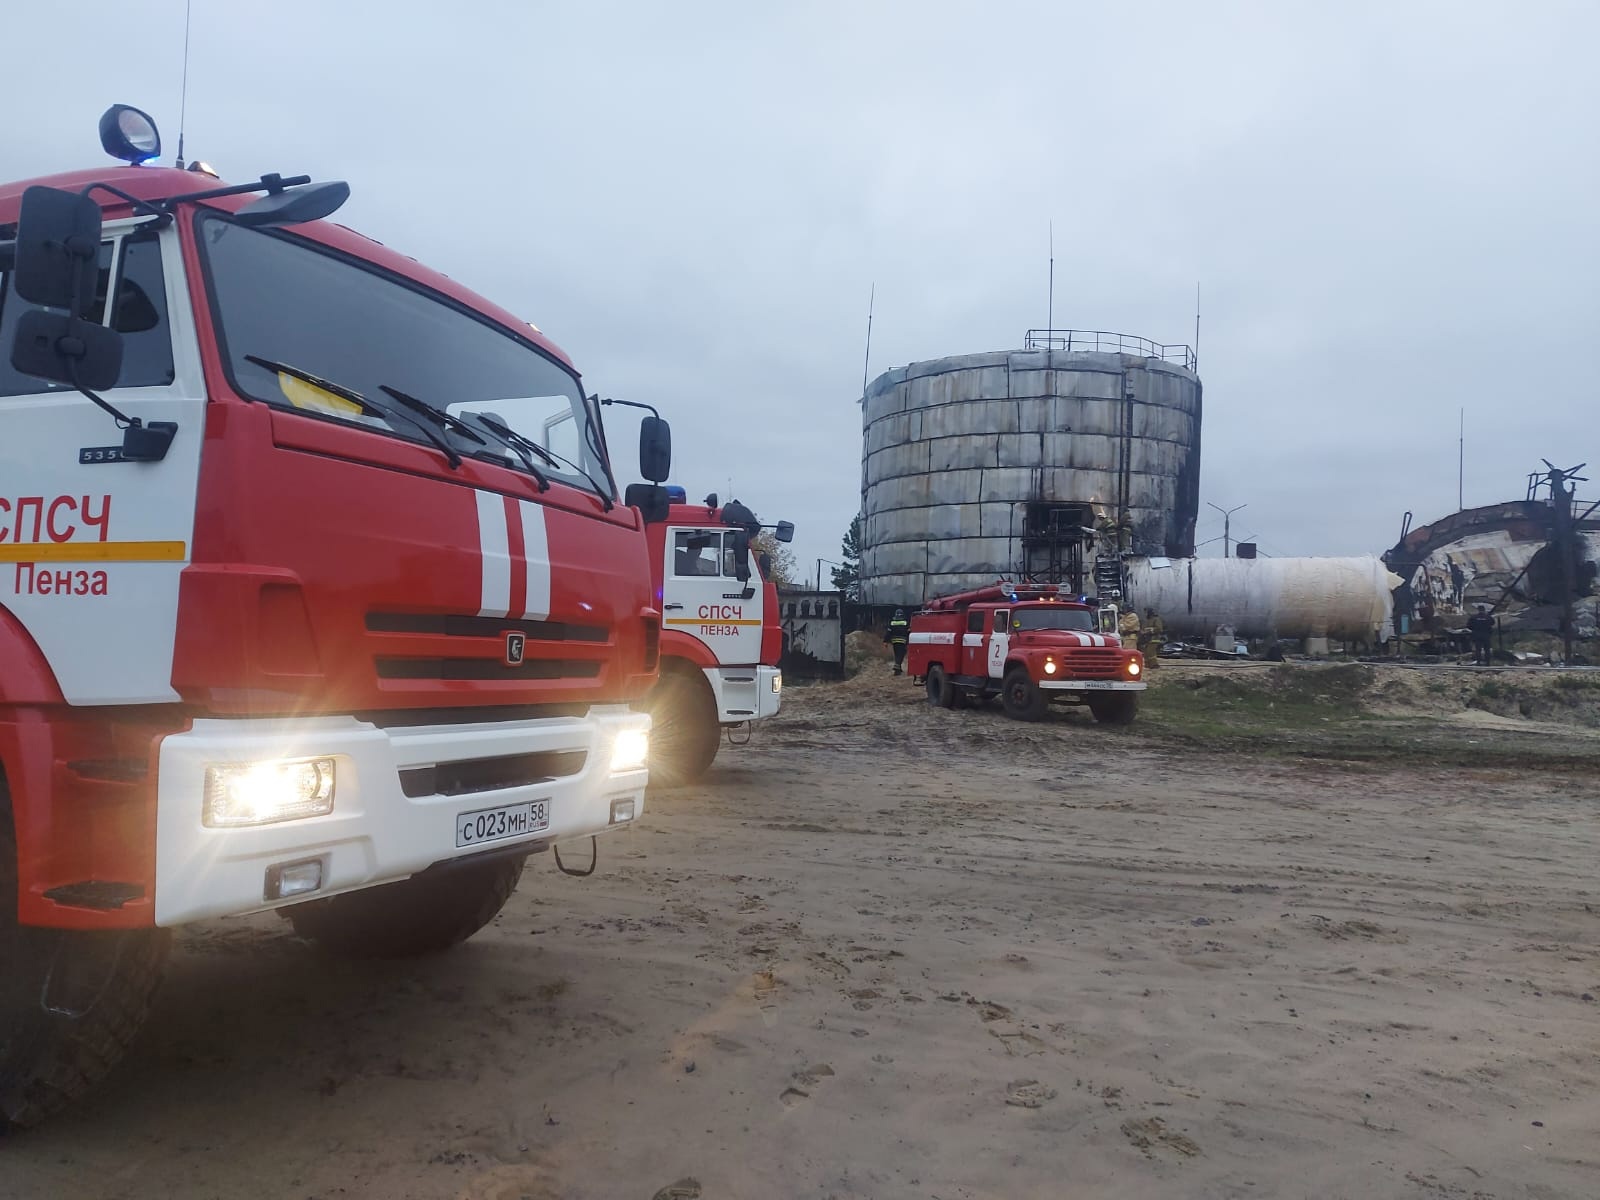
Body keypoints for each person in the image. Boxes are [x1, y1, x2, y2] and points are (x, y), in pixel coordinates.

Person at [884, 608, 910, 675]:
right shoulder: (905, 622)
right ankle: (897, 666)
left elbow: (888, 632)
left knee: (897, 654)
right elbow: (908, 632)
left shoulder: (892, 622)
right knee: (901, 654)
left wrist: (885, 641)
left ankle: (898, 668)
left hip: (895, 641)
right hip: (902, 641)